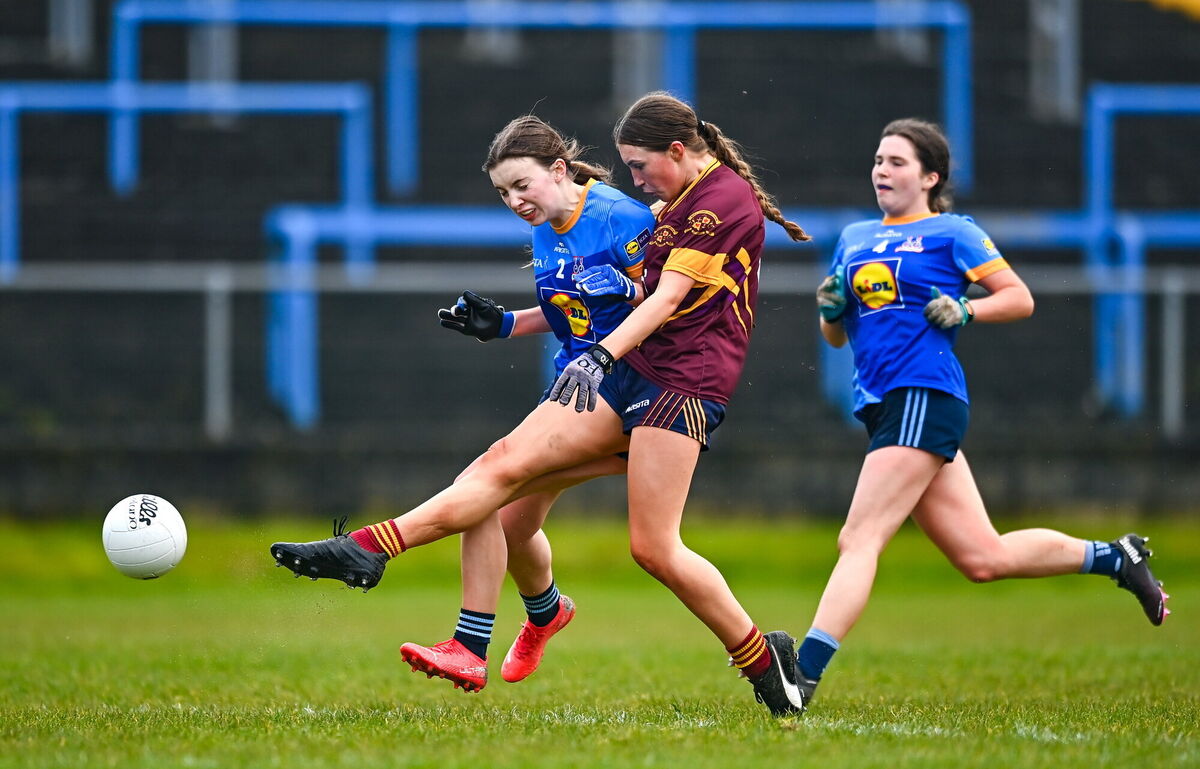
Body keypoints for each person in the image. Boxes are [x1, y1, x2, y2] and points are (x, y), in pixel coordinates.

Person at [271, 91, 814, 717]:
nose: (634, 181)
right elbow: (595, 304)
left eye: (639, 165)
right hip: (625, 371)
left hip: (679, 383)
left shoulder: (707, 202)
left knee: (653, 548)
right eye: (504, 193)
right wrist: (504, 325)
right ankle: (439, 611)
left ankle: (763, 658)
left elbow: (659, 302)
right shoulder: (668, 201)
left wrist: (598, 355)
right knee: (495, 480)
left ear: (673, 149)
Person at [795, 117, 1170, 712]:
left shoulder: (952, 232)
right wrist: (830, 311)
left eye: (896, 162)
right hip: (885, 404)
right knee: (982, 558)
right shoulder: (854, 236)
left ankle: (801, 676)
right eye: (877, 160)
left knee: (858, 536)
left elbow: (1018, 297)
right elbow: (837, 338)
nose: (881, 171)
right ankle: (1115, 557)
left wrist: (967, 311)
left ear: (930, 176)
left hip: (925, 394)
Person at [432, 113, 655, 690]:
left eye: (521, 185)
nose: (514, 200)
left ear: (558, 170)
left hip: (633, 395)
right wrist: (503, 325)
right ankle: (546, 614)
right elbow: (572, 312)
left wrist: (632, 288)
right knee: (510, 522)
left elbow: (675, 303)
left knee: (485, 485)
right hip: (574, 387)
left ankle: (468, 643)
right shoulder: (545, 227)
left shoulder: (620, 217)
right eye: (503, 192)